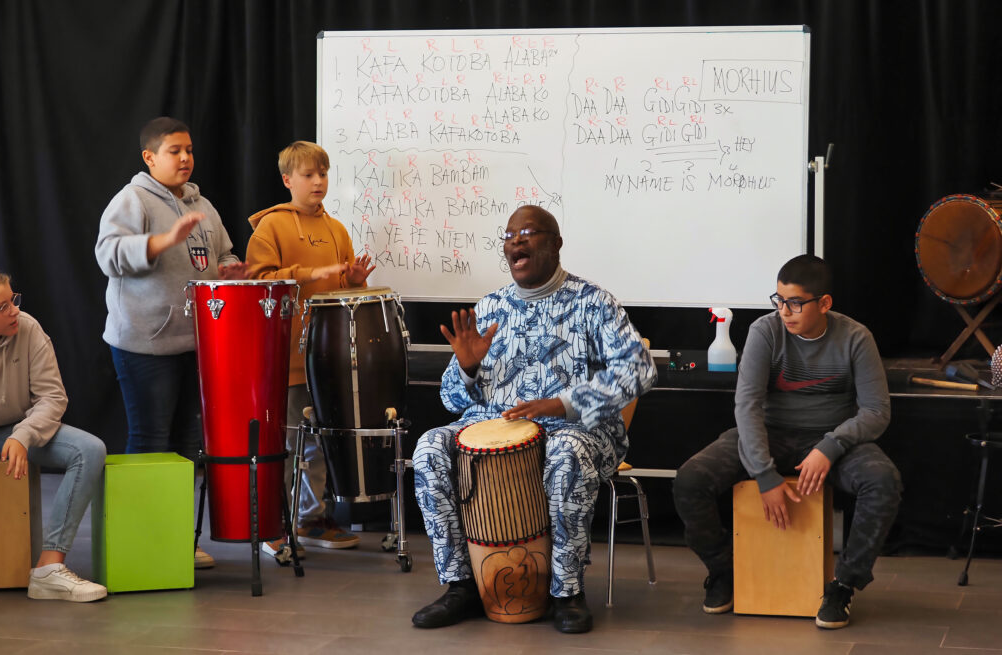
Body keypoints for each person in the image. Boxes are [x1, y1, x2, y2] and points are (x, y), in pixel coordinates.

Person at [410, 205, 656, 634]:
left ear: (556, 244)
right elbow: (451, 400)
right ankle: (461, 585)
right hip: (493, 424)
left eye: (527, 232)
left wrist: (563, 404)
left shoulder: (593, 302)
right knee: (429, 446)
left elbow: (640, 368)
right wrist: (466, 367)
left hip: (576, 429)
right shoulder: (490, 307)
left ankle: (567, 591)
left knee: (566, 451)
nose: (516, 241)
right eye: (509, 236)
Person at [672, 254, 902, 629]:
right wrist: (764, 475)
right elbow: (747, 405)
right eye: (779, 300)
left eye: (795, 303)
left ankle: (843, 586)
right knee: (690, 479)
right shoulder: (765, 331)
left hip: (831, 439)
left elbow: (876, 411)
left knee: (883, 481)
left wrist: (829, 446)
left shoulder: (855, 337)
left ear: (824, 303)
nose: (784, 311)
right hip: (770, 433)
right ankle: (724, 571)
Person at [95, 116, 249, 569]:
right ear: (150, 157)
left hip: (196, 342)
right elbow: (108, 255)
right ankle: (141, 542)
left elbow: (222, 253)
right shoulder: (132, 199)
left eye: (189, 150)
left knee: (186, 445)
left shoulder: (202, 204)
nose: (185, 158)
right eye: (174, 151)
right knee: (150, 440)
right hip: (145, 343)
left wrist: (231, 270)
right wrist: (162, 241)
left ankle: (176, 539)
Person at [246, 141, 375, 560]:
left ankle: (309, 518)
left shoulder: (336, 229)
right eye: (308, 175)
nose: (318, 181)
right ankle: (272, 526)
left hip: (328, 358)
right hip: (287, 358)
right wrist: (310, 272)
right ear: (288, 180)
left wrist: (355, 281)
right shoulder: (271, 227)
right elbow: (257, 281)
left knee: (320, 442)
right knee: (285, 444)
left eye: (323, 173)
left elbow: (342, 291)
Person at [0, 268, 108, 602]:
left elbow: (52, 397)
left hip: (13, 429)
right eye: (3, 306)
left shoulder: (27, 328)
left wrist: (23, 435)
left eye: (13, 300)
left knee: (88, 450)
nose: (15, 311)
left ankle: (49, 568)